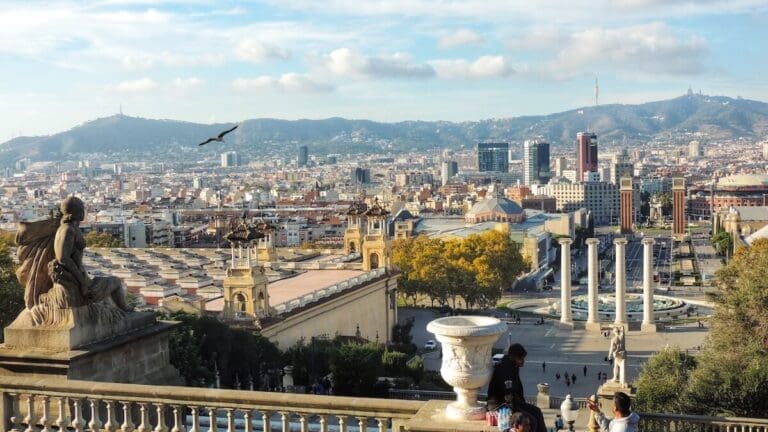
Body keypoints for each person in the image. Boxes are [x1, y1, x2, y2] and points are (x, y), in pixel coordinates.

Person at [487, 343, 546, 432]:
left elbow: (518, 387)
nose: (523, 361)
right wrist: (516, 412)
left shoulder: (514, 366)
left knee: (537, 411)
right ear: (512, 357)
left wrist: (523, 404)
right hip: (500, 405)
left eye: (523, 358)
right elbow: (508, 395)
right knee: (532, 421)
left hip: (514, 401)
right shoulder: (505, 369)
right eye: (520, 359)